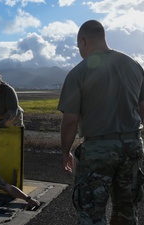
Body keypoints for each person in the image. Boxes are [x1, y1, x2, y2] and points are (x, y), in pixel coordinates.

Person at [58, 20, 144, 224]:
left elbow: (70, 120)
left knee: (91, 213)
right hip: (132, 146)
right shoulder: (134, 66)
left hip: (98, 149)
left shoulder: (79, 72)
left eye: (79, 46)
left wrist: (65, 152)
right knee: (126, 210)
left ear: (83, 41)